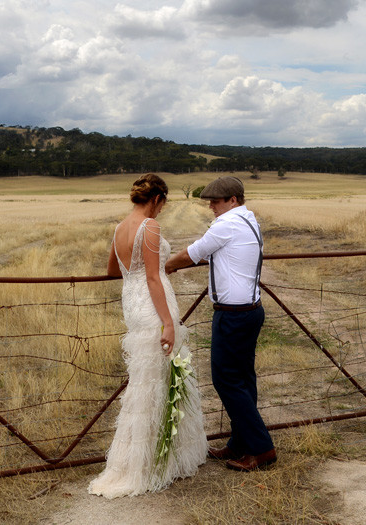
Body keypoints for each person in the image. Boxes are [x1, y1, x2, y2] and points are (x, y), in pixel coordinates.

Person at [88, 173, 207, 498]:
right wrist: (168, 322)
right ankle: (151, 462)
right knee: (160, 378)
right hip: (154, 305)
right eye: (163, 204)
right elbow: (154, 278)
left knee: (147, 380)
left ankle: (144, 458)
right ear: (157, 199)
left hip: (133, 303)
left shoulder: (120, 227)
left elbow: (114, 270)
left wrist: (136, 270)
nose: (161, 211)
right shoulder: (149, 226)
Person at [165, 176, 276, 471]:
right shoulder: (248, 220)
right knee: (242, 380)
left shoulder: (227, 224)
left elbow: (194, 252)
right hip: (249, 310)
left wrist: (166, 265)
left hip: (234, 314)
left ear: (233, 200)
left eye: (216, 201)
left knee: (226, 380)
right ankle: (240, 443)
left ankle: (261, 449)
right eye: (210, 201)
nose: (211, 206)